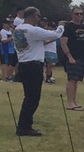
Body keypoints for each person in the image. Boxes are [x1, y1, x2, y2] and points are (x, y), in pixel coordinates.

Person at [10, 7, 63, 137]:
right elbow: (56, 34)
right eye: (38, 16)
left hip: (23, 63)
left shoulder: (18, 29)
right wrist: (61, 26)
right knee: (33, 98)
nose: (39, 19)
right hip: (34, 65)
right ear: (33, 16)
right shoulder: (33, 30)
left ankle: (25, 124)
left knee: (28, 96)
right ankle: (24, 126)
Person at [60, 6, 84, 111]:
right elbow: (63, 43)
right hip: (72, 56)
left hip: (83, 56)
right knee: (71, 79)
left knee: (76, 80)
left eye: (81, 14)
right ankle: (70, 103)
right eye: (77, 14)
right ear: (72, 15)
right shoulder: (68, 27)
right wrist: (69, 56)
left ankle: (74, 102)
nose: (79, 16)